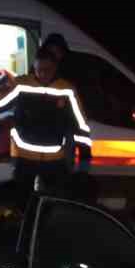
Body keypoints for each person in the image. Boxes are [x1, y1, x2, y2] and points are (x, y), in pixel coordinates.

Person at [0, 47, 88, 204]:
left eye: (47, 70)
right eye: (39, 70)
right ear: (34, 68)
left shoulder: (66, 89)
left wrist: (85, 154)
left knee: (56, 202)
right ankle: (23, 226)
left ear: (55, 68)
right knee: (22, 201)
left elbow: (80, 122)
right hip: (24, 156)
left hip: (55, 157)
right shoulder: (22, 85)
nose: (43, 73)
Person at [40, 34, 97, 200]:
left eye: (57, 51)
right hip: (48, 131)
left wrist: (85, 158)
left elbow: (80, 119)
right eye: (51, 51)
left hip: (67, 129)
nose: (55, 55)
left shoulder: (71, 72)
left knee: (63, 171)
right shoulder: (45, 70)